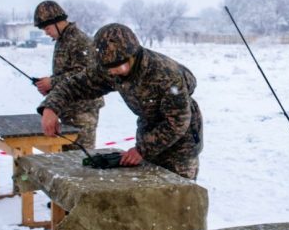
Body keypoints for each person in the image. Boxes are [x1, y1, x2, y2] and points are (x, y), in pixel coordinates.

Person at [39, 23, 203, 180]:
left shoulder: (165, 74)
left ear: (134, 54)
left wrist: (142, 150)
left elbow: (178, 122)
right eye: (108, 66)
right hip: (148, 135)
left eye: (119, 65)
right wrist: (50, 108)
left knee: (178, 199)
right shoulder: (111, 67)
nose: (113, 71)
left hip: (181, 145)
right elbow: (75, 85)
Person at [33, 0, 104, 150]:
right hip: (67, 109)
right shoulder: (62, 41)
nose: (46, 32)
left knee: (80, 160)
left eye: (47, 28)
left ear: (58, 22)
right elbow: (66, 74)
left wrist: (52, 82)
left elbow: (84, 75)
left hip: (83, 111)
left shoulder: (79, 41)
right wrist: (51, 88)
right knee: (67, 160)